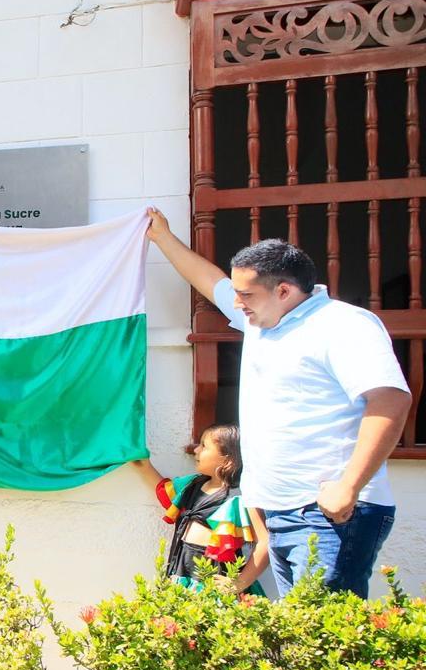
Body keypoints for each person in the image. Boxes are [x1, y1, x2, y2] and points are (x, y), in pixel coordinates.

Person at [147, 209, 410, 597]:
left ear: (284, 291)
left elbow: (390, 399)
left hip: (328, 515)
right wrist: (162, 238)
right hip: (279, 512)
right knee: (298, 640)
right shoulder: (262, 321)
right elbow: (211, 281)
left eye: (246, 295)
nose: (236, 304)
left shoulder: (342, 325)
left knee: (321, 641)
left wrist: (349, 486)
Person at [131, 425, 267, 595]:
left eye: (204, 446)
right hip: (182, 575)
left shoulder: (239, 498)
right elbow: (165, 491)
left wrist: (238, 584)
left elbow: (265, 542)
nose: (196, 449)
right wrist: (142, 464)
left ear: (228, 459)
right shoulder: (191, 485)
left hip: (215, 585)